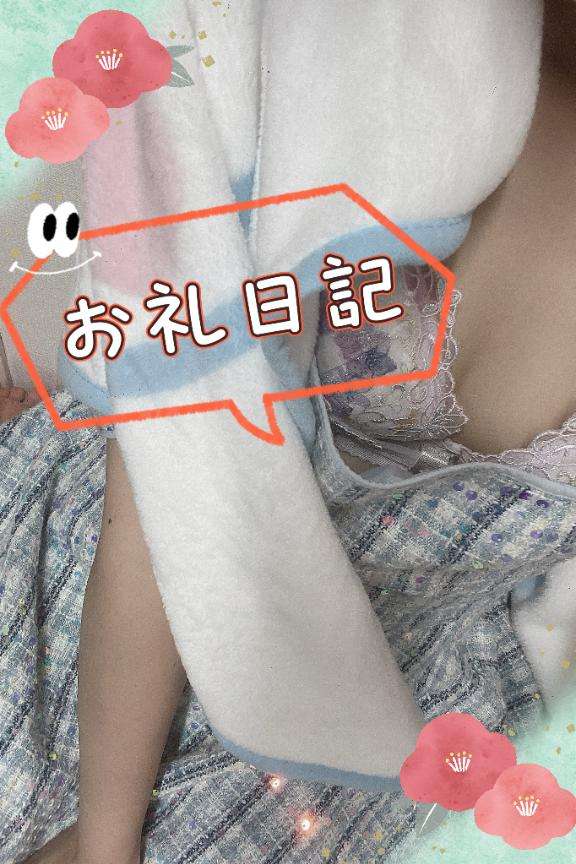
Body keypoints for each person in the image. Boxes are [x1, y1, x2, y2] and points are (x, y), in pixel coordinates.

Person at [14, 2, 576, 862]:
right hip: (141, 559)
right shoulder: (262, 46)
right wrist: (103, 840)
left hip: (426, 682)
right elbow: (174, 472)